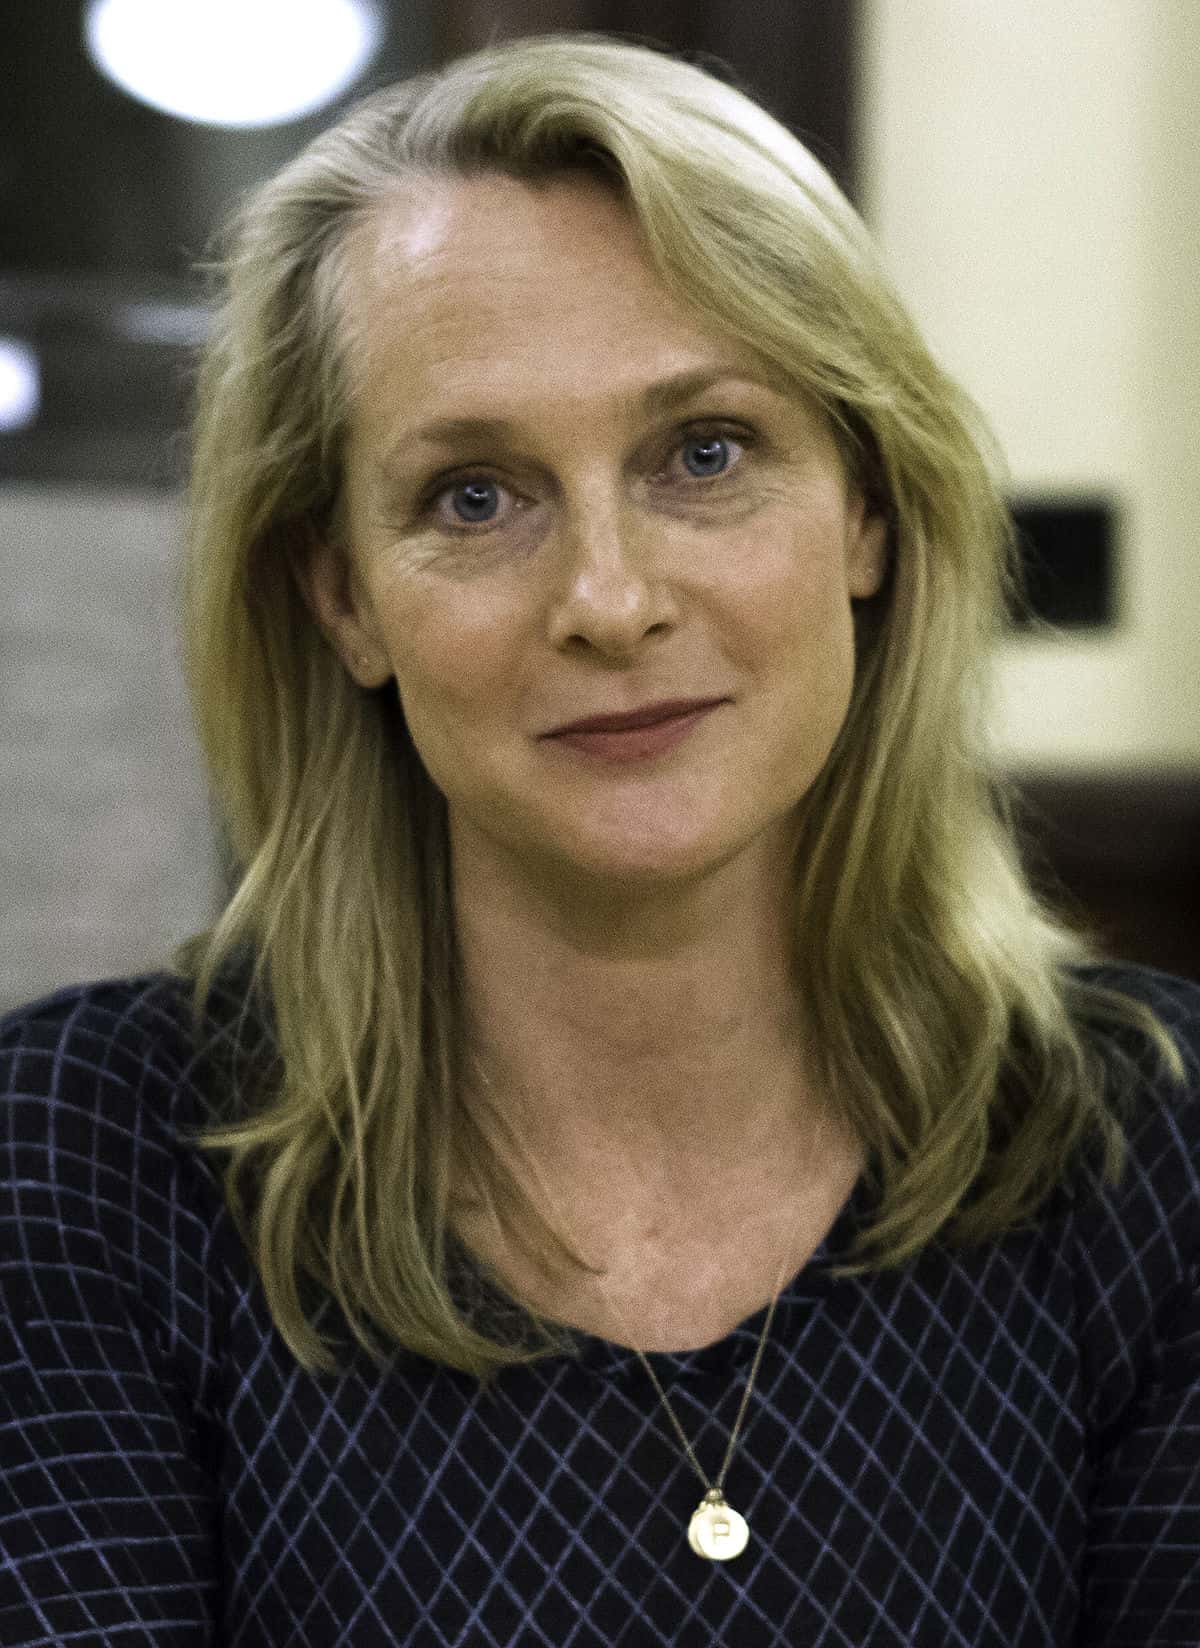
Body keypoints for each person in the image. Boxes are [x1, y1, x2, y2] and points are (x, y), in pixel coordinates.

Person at [2, 29, 1198, 1647]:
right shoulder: (67, 1163)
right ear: (342, 593)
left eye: (705, 454)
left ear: (865, 504)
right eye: (475, 498)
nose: (611, 603)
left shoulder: (1159, 1155)